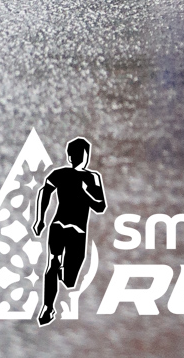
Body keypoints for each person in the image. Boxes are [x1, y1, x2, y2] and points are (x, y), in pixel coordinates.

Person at [31, 137, 106, 325]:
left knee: (69, 279)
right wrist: (40, 219)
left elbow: (100, 206)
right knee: (53, 262)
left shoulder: (92, 177)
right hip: (61, 227)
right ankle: (48, 307)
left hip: (75, 231)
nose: (81, 158)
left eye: (83, 154)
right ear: (71, 156)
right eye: (78, 154)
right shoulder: (60, 174)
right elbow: (44, 192)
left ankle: (58, 275)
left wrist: (84, 193)